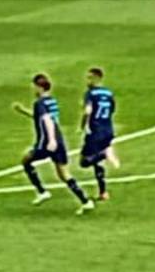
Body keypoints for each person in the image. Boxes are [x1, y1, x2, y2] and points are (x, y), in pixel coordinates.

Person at [12, 73, 96, 214]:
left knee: (26, 160)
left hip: (47, 141)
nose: (33, 90)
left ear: (39, 87)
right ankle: (85, 201)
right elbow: (42, 117)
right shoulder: (51, 101)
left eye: (34, 87)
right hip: (59, 140)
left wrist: (50, 140)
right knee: (64, 174)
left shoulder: (39, 103)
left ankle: (42, 191)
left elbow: (47, 121)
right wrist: (23, 111)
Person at [79, 67, 119, 201]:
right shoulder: (109, 93)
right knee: (99, 163)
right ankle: (103, 192)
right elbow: (112, 109)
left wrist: (83, 125)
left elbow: (87, 112)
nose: (87, 80)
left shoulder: (90, 93)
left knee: (84, 162)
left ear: (97, 78)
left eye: (90, 77)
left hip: (95, 131)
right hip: (108, 129)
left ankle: (104, 154)